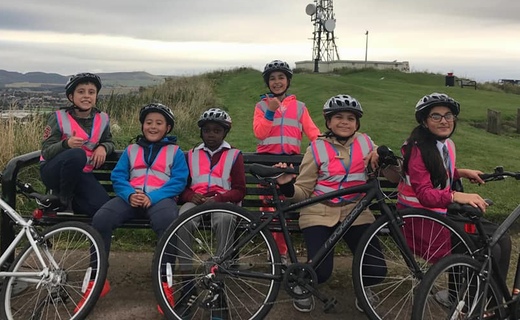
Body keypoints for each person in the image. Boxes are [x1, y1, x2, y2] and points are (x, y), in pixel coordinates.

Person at [275, 94, 395, 313]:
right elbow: (303, 191)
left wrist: (383, 153)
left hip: (356, 212)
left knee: (376, 270)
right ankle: (304, 284)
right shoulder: (316, 148)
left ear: (357, 123)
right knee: (320, 273)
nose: (344, 122)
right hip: (319, 212)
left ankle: (363, 287)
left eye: (350, 118)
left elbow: (394, 175)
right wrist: (286, 186)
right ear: (328, 122)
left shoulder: (366, 143)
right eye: (338, 117)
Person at [397, 92, 512, 306]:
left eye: (448, 115)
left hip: (441, 214)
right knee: (488, 246)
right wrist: (457, 195)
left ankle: (490, 299)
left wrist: (460, 172)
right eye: (436, 116)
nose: (444, 121)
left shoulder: (447, 145)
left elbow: (436, 172)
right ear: (424, 121)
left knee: (502, 238)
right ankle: (470, 303)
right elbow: (424, 193)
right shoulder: (417, 149)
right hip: (422, 221)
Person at [89, 103, 188, 315]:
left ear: (168, 128)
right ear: (142, 125)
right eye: (148, 122)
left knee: (168, 224)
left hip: (160, 200)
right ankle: (96, 279)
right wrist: (130, 194)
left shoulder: (175, 152)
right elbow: (118, 176)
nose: (153, 127)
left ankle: (164, 283)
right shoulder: (131, 150)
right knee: (101, 220)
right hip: (130, 199)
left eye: (159, 123)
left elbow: (179, 180)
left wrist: (153, 197)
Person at [175, 107, 246, 319]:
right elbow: (183, 188)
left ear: (225, 133)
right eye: (207, 130)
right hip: (197, 201)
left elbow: (241, 189)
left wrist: (220, 198)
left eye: (217, 131)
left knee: (225, 219)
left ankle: (218, 282)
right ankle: (187, 282)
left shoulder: (234, 155)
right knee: (182, 220)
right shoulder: (192, 155)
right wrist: (190, 196)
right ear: (201, 133)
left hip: (222, 201)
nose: (211, 135)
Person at [253, 59, 321, 265]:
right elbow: (260, 132)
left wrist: (327, 146)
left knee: (285, 209)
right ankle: (275, 251)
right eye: (272, 79)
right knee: (268, 210)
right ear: (267, 83)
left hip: (289, 164)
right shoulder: (261, 106)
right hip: (267, 163)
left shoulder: (299, 107)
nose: (277, 82)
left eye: (281, 77)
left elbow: (313, 133)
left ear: (288, 81)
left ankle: (281, 252)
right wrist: (270, 111)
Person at [40, 72, 114, 215]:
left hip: (81, 172)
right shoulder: (58, 118)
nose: (87, 96)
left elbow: (108, 141)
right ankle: (63, 201)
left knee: (101, 206)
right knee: (77, 154)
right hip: (54, 171)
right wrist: (66, 144)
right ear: (71, 97)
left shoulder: (103, 119)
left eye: (91, 92)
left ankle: (57, 203)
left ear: (96, 96)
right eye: (81, 92)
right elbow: (46, 151)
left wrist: (103, 147)